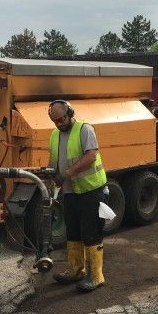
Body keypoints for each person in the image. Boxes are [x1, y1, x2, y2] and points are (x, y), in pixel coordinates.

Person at [48, 99, 107, 292]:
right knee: (72, 232)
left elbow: (91, 156)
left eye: (62, 119)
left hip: (91, 191)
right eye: (55, 121)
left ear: (70, 113)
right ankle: (75, 270)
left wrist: (68, 173)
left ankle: (96, 276)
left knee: (91, 232)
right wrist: (52, 176)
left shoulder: (84, 129)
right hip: (70, 192)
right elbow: (54, 161)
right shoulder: (54, 135)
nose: (59, 123)